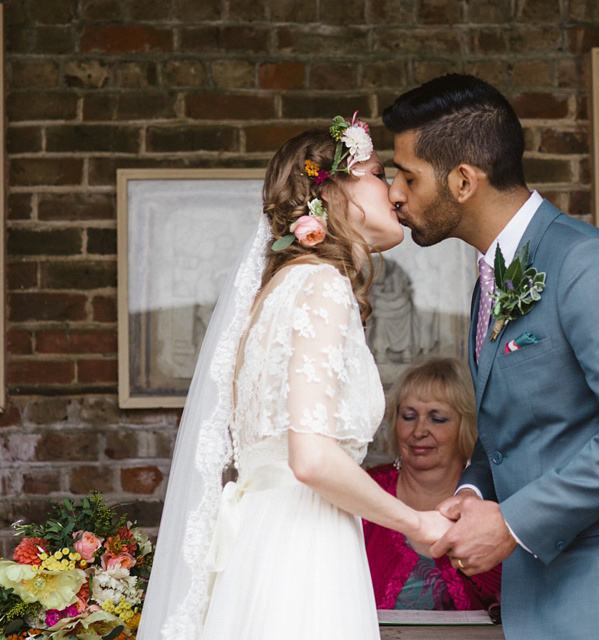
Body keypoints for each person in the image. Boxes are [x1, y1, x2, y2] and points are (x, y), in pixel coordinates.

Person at [383, 75, 599, 640]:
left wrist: (513, 524)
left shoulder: (590, 265)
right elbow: (514, 432)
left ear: (464, 180)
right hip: (543, 596)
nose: (396, 193)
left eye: (408, 176)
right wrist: (469, 494)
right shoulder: (490, 278)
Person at [137, 115, 452, 640]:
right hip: (304, 549)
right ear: (333, 191)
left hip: (262, 543)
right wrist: (417, 523)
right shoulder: (322, 287)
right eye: (377, 173)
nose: (394, 192)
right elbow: (312, 459)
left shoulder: (275, 293)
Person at [363, 357, 501, 613]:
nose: (419, 431)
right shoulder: (366, 492)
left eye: (437, 418)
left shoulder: (490, 502)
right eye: (409, 416)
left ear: (466, 425)